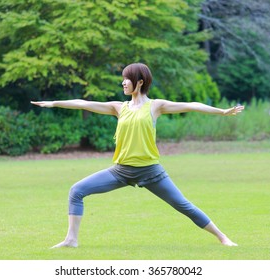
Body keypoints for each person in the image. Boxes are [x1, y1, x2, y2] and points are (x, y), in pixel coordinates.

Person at [31, 63, 244, 248]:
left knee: (183, 205)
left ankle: (223, 238)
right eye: (123, 79)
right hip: (120, 171)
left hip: (150, 171)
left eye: (127, 79)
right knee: (76, 191)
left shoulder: (156, 106)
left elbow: (192, 106)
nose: (123, 83)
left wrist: (222, 111)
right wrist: (54, 103)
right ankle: (71, 240)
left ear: (139, 82)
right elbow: (83, 103)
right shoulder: (118, 107)